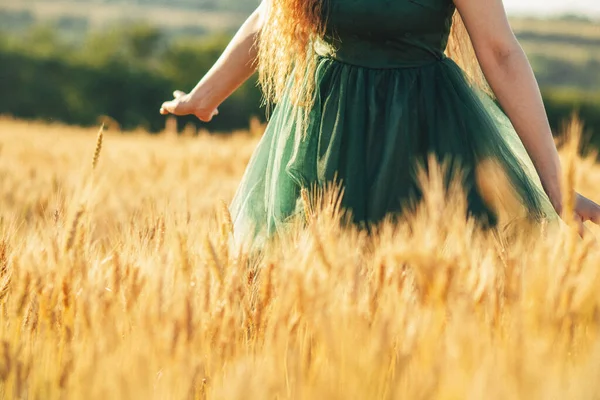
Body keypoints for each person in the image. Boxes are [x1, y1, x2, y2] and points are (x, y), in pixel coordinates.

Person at [160, 0, 600, 245]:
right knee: (318, 288)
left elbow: (500, 52)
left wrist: (554, 183)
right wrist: (204, 96)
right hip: (326, 136)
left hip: (427, 134)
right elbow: (269, 16)